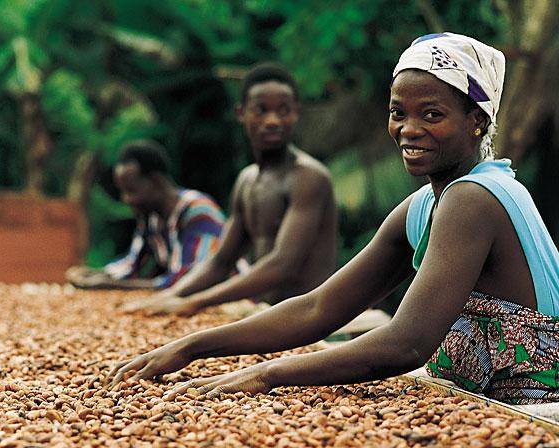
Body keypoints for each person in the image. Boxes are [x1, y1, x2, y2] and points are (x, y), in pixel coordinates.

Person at [107, 34, 559, 405]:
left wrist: (267, 375)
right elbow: (320, 307)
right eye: (398, 112)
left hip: (533, 403)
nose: (409, 129)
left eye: (433, 115)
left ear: (477, 121)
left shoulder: (474, 199)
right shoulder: (425, 206)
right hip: (477, 395)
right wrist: (193, 346)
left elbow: (405, 344)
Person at [123, 63, 337, 316]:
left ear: (296, 114)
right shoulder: (247, 181)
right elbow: (220, 262)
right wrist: (171, 295)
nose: (273, 121)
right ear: (241, 113)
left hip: (308, 317)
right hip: (266, 313)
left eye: (284, 111)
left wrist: (196, 302)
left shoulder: (309, 177)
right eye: (261, 110)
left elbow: (283, 265)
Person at [66, 140, 226, 290]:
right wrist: (94, 274)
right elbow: (131, 265)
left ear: (156, 181)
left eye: (131, 191)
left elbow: (189, 280)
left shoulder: (198, 211)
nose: (126, 199)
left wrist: (110, 284)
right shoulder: (152, 218)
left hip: (232, 304)